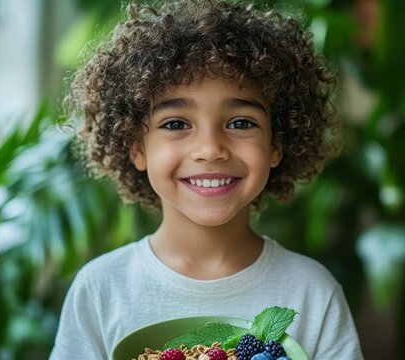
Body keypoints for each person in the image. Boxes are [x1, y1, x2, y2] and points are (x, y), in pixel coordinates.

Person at [51, 0, 363, 358]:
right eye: (176, 124)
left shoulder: (312, 293)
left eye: (241, 123)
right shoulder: (100, 289)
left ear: (277, 144)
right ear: (136, 147)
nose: (210, 149)